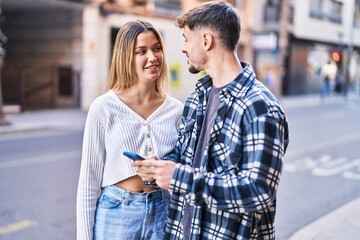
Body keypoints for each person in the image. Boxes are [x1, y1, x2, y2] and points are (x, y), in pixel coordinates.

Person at [133, 1, 289, 239]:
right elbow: (187, 158)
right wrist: (160, 168)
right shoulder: (199, 97)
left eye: (186, 39)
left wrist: (178, 178)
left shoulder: (259, 106)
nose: (183, 48)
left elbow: (258, 191)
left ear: (206, 41)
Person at [76, 20, 184, 240]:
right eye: (141, 51)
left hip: (164, 212)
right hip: (117, 214)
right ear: (126, 57)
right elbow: (89, 182)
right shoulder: (104, 108)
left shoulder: (177, 110)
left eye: (157, 48)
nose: (153, 57)